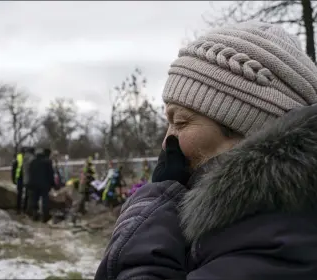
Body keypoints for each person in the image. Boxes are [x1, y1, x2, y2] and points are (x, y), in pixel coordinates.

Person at [95, 21, 317, 280]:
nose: (167, 143)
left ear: (248, 128)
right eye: (169, 122)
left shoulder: (281, 238)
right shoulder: (244, 222)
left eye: (181, 122)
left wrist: (155, 207)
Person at [28, 148, 55, 222]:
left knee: (34, 200)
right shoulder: (47, 162)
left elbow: (29, 173)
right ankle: (45, 216)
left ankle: (35, 215)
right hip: (44, 185)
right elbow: (50, 174)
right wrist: (53, 184)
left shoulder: (32, 162)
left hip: (33, 184)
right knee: (45, 200)